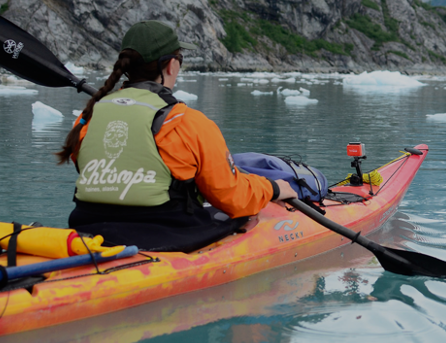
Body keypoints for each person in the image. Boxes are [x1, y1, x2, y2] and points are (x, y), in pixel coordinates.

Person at [55, 19, 299, 252]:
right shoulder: (186, 122)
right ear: (171, 65)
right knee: (242, 215)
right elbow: (232, 197)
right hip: (164, 234)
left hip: (87, 228)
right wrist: (272, 188)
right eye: (180, 59)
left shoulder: (88, 117)